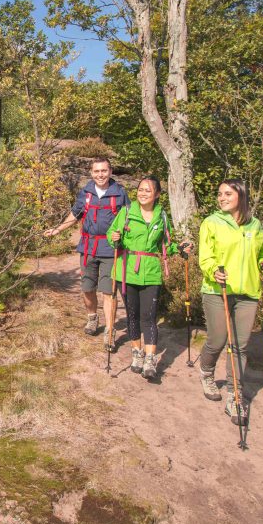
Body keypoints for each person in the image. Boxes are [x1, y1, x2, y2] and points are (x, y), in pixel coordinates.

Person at [197, 178, 263, 424]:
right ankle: (207, 373)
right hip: (216, 290)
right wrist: (213, 271)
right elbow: (205, 257)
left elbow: (261, 252)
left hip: (248, 292)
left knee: (240, 346)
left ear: (241, 195)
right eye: (220, 194)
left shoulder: (255, 225)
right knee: (217, 339)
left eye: (228, 194)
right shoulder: (211, 223)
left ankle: (235, 395)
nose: (222, 198)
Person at [106, 176, 192, 380]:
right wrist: (115, 239)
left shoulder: (161, 216)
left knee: (149, 316)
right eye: (140, 189)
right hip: (126, 271)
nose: (143, 193)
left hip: (151, 272)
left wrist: (179, 248)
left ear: (157, 194)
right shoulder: (127, 212)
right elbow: (112, 235)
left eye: (148, 190)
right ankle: (137, 354)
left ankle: (150, 358)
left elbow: (166, 245)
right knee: (132, 314)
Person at [44, 157, 129, 343]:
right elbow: (75, 215)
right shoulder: (86, 193)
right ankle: (92, 317)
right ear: (91, 173)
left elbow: (128, 220)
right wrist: (57, 229)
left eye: (104, 171)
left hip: (110, 250)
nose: (100, 175)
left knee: (109, 292)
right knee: (87, 288)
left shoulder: (120, 193)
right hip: (88, 248)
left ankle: (109, 330)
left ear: (110, 171)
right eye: (97, 171)